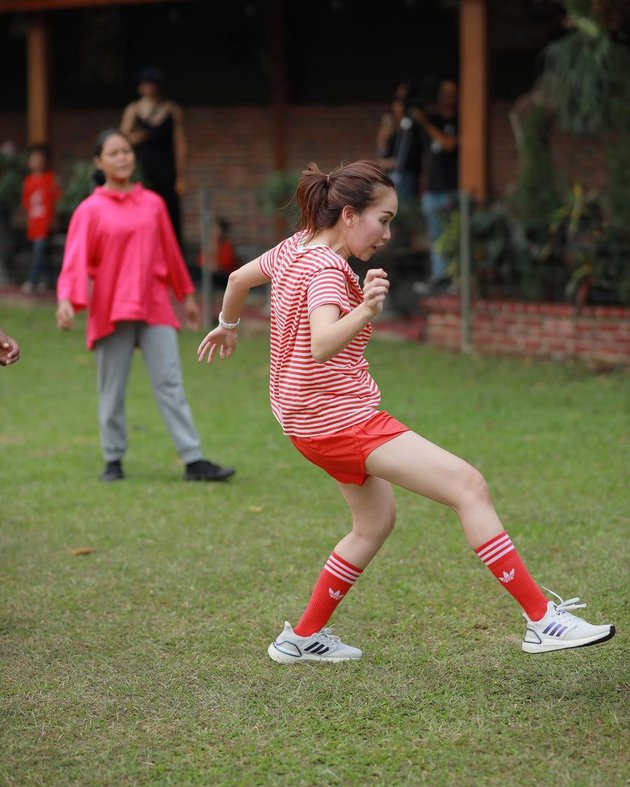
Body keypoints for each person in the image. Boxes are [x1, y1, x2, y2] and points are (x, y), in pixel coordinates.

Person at [197, 159, 615, 664]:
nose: (388, 235)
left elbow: (240, 278)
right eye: (385, 219)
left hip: (303, 423)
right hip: (342, 422)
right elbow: (322, 343)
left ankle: (301, 638)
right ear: (349, 215)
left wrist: (228, 324)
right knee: (469, 486)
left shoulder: (297, 245)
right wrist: (367, 310)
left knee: (374, 523)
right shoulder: (328, 268)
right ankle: (542, 621)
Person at [56, 129, 235, 484]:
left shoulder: (153, 203)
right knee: (112, 388)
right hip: (110, 309)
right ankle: (113, 459)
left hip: (154, 306)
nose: (122, 158)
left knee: (170, 383)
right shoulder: (89, 210)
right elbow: (75, 260)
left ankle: (193, 459)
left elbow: (170, 251)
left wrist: (186, 296)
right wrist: (66, 300)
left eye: (126, 151)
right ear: (99, 162)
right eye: (113, 153)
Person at [120, 67, 187, 246]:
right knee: (142, 214)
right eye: (145, 84)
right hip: (141, 171)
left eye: (152, 83)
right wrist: (135, 138)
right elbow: (121, 141)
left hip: (166, 170)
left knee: (169, 215)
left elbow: (179, 143)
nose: (148, 87)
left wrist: (181, 176)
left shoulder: (171, 110)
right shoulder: (133, 110)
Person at [415, 79, 460, 293]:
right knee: (435, 237)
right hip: (432, 190)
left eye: (452, 92)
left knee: (454, 236)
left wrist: (425, 123)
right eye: (444, 92)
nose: (447, 97)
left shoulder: (460, 120)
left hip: (452, 189)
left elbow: (448, 144)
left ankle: (455, 279)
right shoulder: (431, 119)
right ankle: (439, 278)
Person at [21, 143, 62, 294]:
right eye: (34, 159)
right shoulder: (28, 181)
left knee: (39, 251)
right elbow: (26, 204)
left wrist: (54, 220)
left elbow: (57, 200)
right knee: (43, 254)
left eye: (40, 159)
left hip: (46, 224)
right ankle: (50, 281)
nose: (37, 162)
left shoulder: (50, 179)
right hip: (34, 224)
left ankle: (32, 281)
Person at [375, 95, 424, 200]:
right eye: (395, 112)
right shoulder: (394, 131)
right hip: (392, 175)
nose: (397, 114)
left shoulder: (410, 128)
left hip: (407, 174)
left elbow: (410, 155)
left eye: (400, 111)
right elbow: (383, 153)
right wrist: (382, 137)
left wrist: (392, 162)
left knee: (404, 206)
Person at [196, 216, 240, 290]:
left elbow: (223, 266)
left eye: (216, 229)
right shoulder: (206, 245)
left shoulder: (226, 246)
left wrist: (215, 251)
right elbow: (200, 263)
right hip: (210, 277)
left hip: (224, 278)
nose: (213, 232)